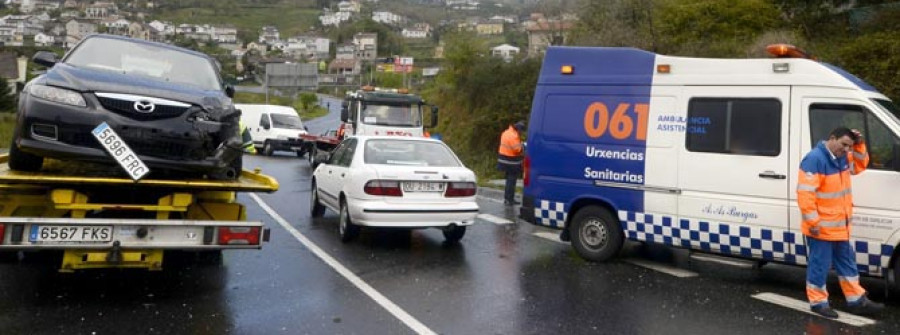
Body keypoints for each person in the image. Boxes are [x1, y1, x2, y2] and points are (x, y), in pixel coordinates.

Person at [797, 127, 883, 318]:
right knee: (820, 265)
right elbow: (805, 194)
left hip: (839, 226)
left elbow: (860, 165)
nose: (846, 150)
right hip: (820, 228)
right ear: (832, 138)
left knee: (847, 263)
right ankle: (818, 302)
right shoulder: (814, 159)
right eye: (844, 145)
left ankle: (856, 299)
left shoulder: (842, 157)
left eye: (849, 147)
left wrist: (859, 144)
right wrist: (813, 223)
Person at [497, 120, 526, 205]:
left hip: (503, 159)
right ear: (518, 129)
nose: (521, 133)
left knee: (509, 180)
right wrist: (523, 145)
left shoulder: (506, 132)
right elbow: (518, 149)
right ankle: (510, 199)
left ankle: (507, 198)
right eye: (521, 131)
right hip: (510, 161)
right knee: (512, 181)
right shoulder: (514, 136)